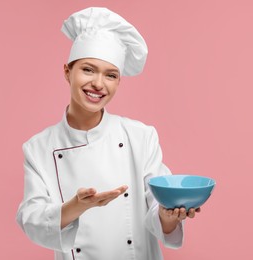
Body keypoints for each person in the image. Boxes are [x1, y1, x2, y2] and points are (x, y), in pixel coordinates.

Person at [16, 7, 200, 260]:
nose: (99, 84)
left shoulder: (141, 137)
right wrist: (76, 206)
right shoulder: (39, 148)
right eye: (88, 70)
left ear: (118, 82)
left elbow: (158, 206)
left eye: (111, 75)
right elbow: (31, 219)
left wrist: (169, 215)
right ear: (67, 72)